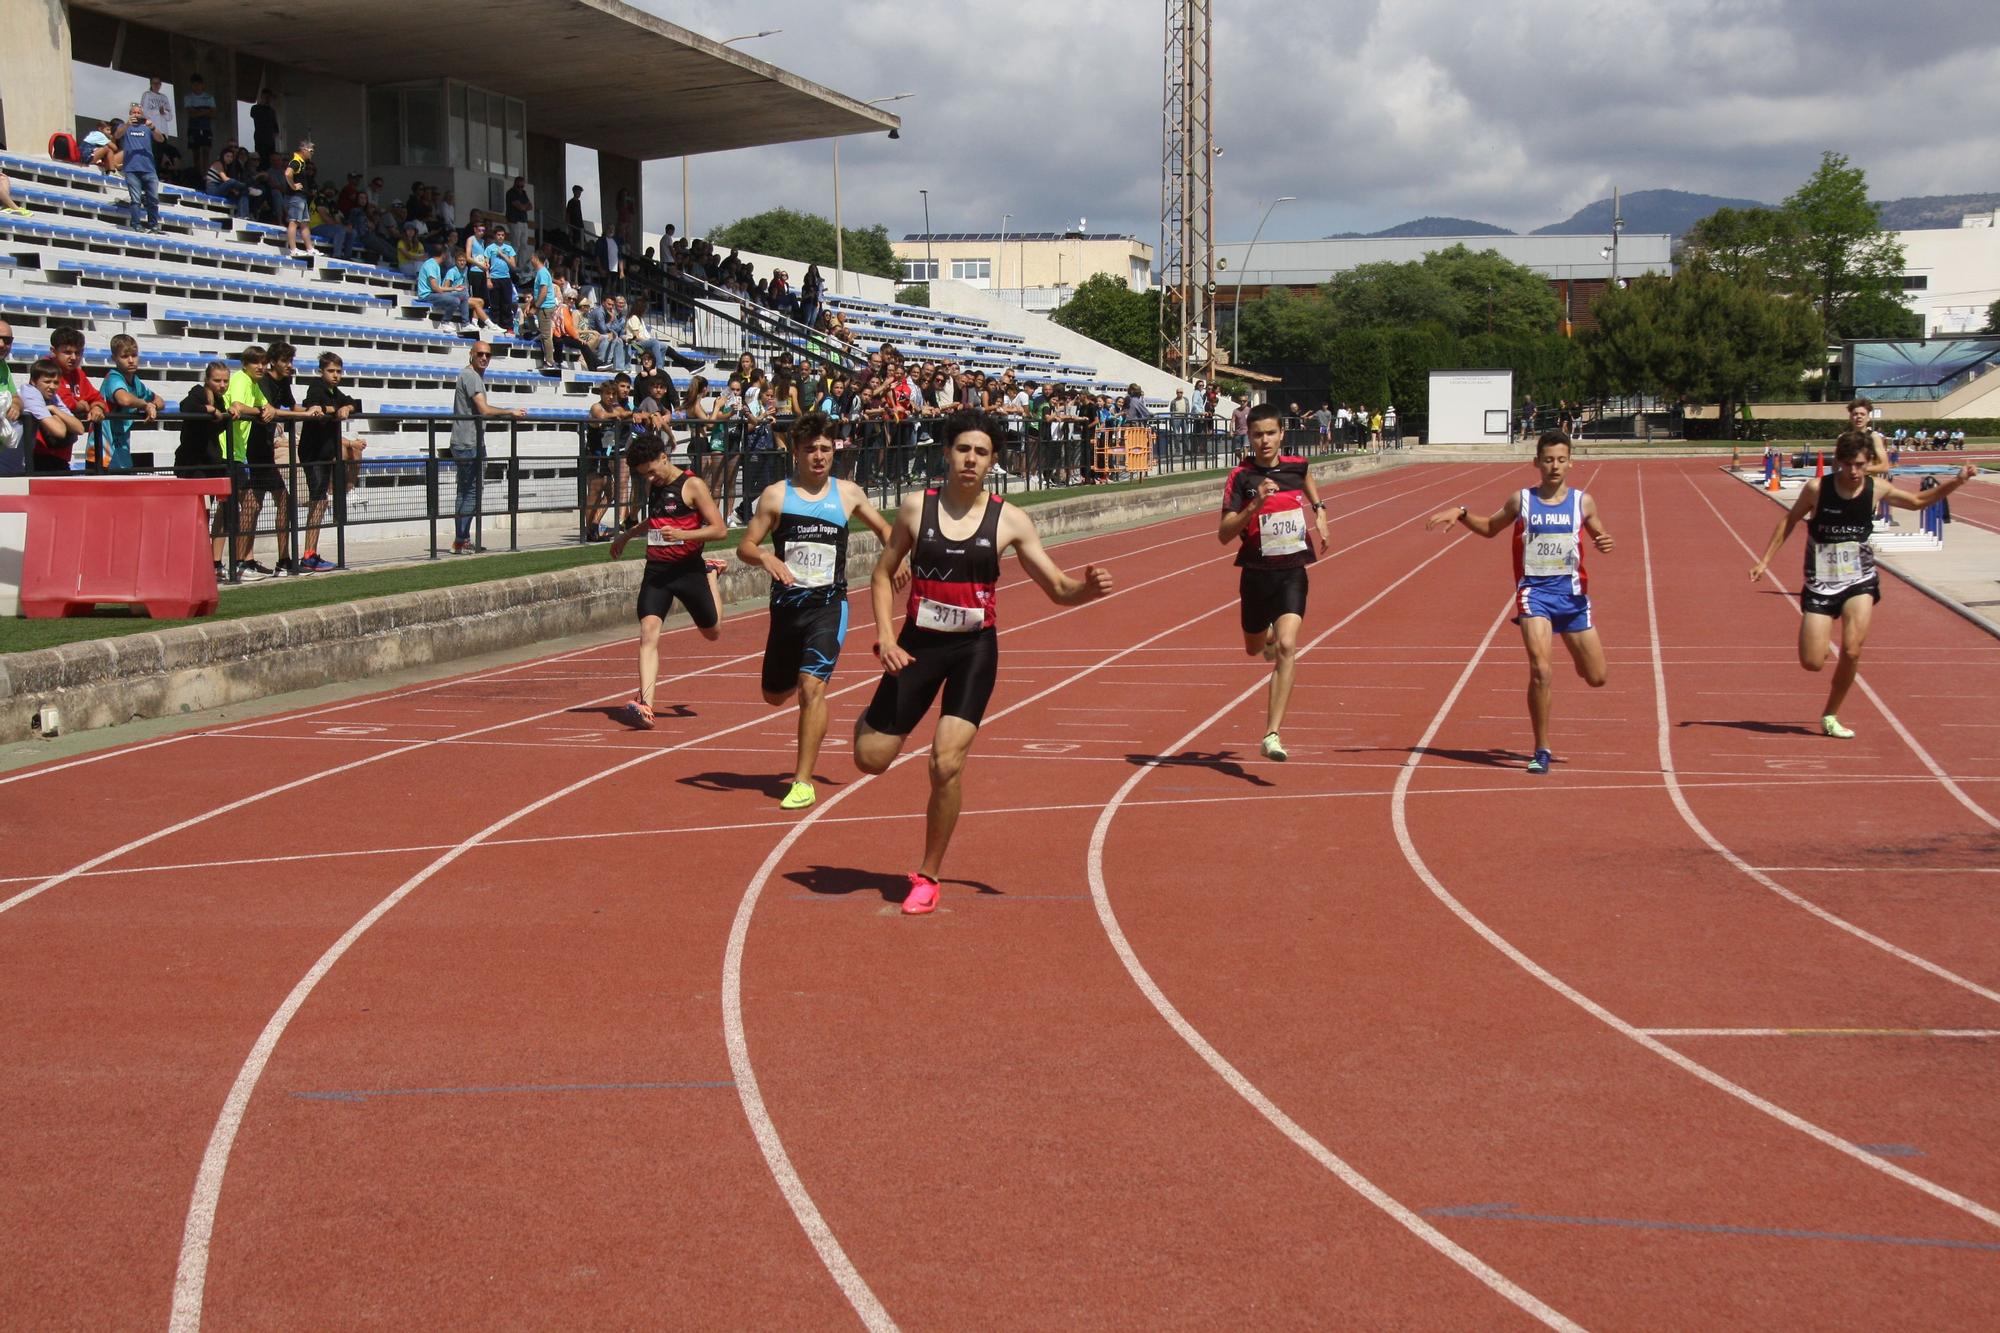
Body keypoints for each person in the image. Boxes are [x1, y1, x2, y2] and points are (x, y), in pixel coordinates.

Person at [853, 409, 1114, 914]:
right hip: (917, 646)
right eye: (963, 449)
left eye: (981, 452)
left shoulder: (1010, 520)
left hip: (974, 650)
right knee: (871, 758)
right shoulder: (914, 509)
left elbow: (1058, 588)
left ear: (994, 461)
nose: (970, 460)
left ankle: (928, 875)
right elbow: (883, 574)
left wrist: (1087, 589)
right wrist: (885, 636)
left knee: (945, 763)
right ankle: (872, 719)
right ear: (947, 453)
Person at [1749, 432, 1976, 739]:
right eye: (1847, 465)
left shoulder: (1875, 489)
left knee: (1853, 651)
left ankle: (1830, 714)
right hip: (1821, 583)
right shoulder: (1818, 489)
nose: (1854, 472)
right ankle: (1820, 642)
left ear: (1868, 463)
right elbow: (1788, 521)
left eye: (1859, 465)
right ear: (1838, 463)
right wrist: (1764, 560)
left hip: (1860, 579)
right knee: (1812, 662)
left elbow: (1919, 501)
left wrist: (1958, 480)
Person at [737, 412, 902, 811]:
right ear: (796, 452)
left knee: (813, 688)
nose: (818, 456)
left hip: (829, 607)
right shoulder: (777, 495)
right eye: (810, 449)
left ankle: (802, 781)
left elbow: (885, 529)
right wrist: (764, 557)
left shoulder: (848, 493)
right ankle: (808, 699)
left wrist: (899, 556)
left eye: (826, 449)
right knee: (774, 696)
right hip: (786, 612)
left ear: (835, 451)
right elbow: (745, 546)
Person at [1426, 429, 1614, 774]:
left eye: (1561, 460)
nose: (1554, 466)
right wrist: (1463, 512)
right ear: (1536, 463)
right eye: (1548, 460)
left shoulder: (1582, 502)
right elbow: (1490, 528)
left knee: (1597, 677)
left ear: (1571, 462)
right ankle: (1541, 749)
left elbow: (1599, 530)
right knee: (1541, 669)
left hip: (1572, 599)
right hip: (1534, 595)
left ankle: (1576, 651)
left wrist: (1603, 540)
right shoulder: (1521, 501)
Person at [1218, 403, 1331, 762]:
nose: (1264, 440)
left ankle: (1272, 734)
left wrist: (1321, 510)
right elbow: (1223, 535)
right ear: (1248, 436)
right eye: (1257, 434)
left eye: (1270, 433)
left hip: (1293, 571)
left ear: (1282, 433)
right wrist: (1254, 507)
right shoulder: (1241, 477)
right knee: (1256, 648)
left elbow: (1308, 478)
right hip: (1255, 573)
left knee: (1287, 646)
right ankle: (1263, 639)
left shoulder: (1297, 466)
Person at [609, 434, 728, 729]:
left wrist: (685, 535)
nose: (650, 478)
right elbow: (657, 520)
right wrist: (627, 535)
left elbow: (720, 530)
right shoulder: (655, 485)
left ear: (665, 457)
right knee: (648, 631)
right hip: (658, 571)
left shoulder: (693, 485)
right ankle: (646, 704)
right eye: (643, 475)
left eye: (651, 471)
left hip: (688, 570)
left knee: (712, 632)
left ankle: (711, 573)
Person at [451, 343, 525, 554]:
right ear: (471, 354)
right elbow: (483, 409)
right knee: (472, 492)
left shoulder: (469, 375)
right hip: (469, 442)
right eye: (480, 354)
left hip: (465, 440)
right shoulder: (472, 376)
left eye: (488, 355)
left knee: (464, 491)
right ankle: (461, 539)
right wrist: (510, 412)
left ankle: (460, 539)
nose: (484, 358)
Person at [299, 351, 363, 571]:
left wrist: (347, 407)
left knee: (321, 502)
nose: (335, 375)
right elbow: (312, 404)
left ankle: (311, 553)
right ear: (321, 371)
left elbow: (354, 403)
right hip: (313, 454)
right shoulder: (316, 387)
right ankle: (308, 555)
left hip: (326, 455)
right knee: (318, 502)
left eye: (338, 371)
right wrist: (336, 409)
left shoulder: (335, 391)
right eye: (331, 371)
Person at [222, 346, 280, 576]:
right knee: (244, 506)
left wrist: (269, 410)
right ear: (245, 364)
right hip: (226, 452)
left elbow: (266, 406)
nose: (261, 367)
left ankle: (240, 561)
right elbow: (238, 406)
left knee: (241, 507)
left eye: (263, 363)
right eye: (256, 362)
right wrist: (259, 410)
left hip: (237, 453)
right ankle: (236, 562)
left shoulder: (254, 384)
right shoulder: (240, 379)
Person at [176, 359, 233, 570]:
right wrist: (209, 410)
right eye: (217, 380)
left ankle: (214, 561)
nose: (222, 385)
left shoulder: (221, 401)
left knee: (226, 506)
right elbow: (186, 406)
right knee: (199, 513)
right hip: (192, 463)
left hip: (212, 462)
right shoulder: (198, 392)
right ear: (207, 380)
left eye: (225, 381)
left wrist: (226, 414)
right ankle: (195, 561)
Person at [95, 333, 162, 472]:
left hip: (122, 455)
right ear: (114, 358)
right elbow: (123, 399)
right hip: (103, 453)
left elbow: (160, 401)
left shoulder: (136, 382)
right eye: (125, 356)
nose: (131, 360)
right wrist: (145, 405)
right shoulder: (113, 377)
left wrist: (153, 405)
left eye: (134, 355)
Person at [584, 373, 634, 541]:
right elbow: (601, 416)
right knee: (594, 493)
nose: (611, 397)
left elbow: (628, 413)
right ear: (602, 394)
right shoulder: (596, 407)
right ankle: (589, 530)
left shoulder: (615, 408)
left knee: (612, 494)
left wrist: (637, 415)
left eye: (613, 394)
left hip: (605, 456)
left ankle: (593, 526)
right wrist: (619, 415)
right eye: (608, 394)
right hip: (595, 455)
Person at [118, 104, 162, 234]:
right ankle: (136, 224)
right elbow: (117, 135)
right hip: (132, 169)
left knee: (153, 199)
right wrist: (127, 124)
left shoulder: (147, 128)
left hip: (149, 169)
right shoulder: (125, 127)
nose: (136, 115)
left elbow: (160, 139)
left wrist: (152, 126)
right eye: (134, 112)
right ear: (130, 114)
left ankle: (153, 225)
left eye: (139, 113)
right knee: (136, 199)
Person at [250, 89, 280, 161]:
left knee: (270, 158)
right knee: (261, 158)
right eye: (265, 97)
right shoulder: (255, 108)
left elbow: (275, 125)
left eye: (268, 98)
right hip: (260, 138)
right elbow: (255, 115)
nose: (267, 100)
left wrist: (274, 134)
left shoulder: (271, 110)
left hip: (270, 140)